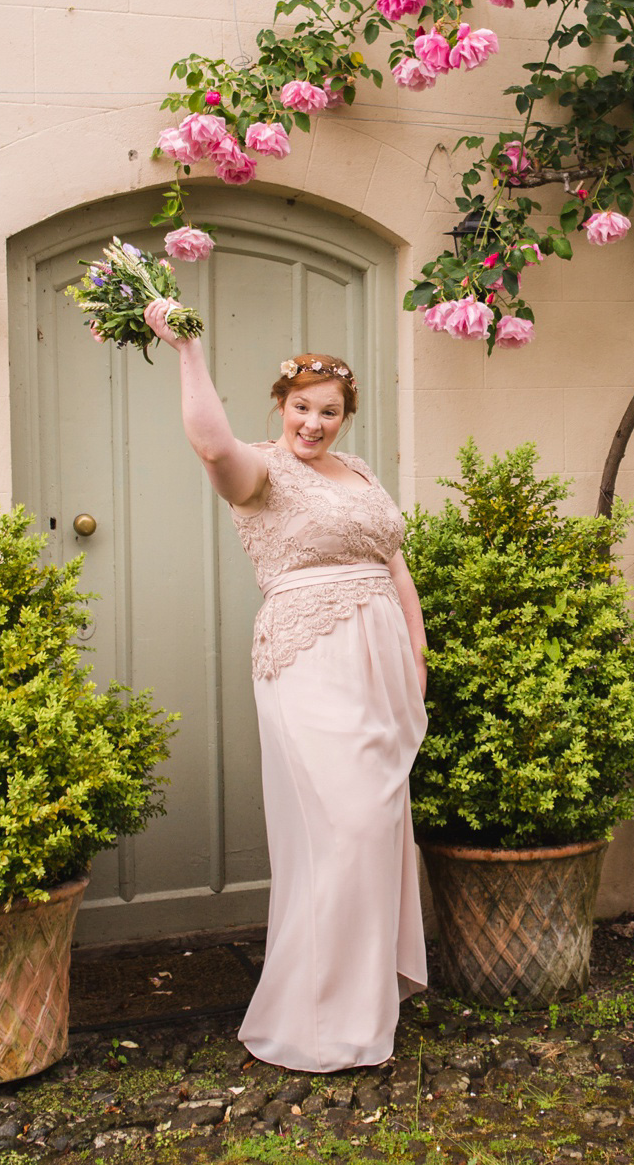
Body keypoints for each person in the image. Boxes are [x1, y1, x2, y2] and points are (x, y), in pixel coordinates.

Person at [144, 301, 429, 1073]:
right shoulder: (260, 468)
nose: (314, 422)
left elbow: (393, 560)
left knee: (376, 825)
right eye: (302, 406)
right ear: (282, 405)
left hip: (379, 665)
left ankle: (363, 1002)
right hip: (309, 659)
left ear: (345, 416)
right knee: (347, 825)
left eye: (329, 411)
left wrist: (416, 645)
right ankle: (315, 1015)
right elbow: (209, 442)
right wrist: (187, 349)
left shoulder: (361, 473)